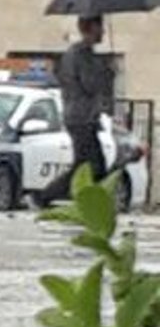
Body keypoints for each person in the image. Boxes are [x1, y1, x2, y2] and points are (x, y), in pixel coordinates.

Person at [35, 15, 114, 206]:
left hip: (81, 116)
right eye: (99, 27)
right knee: (90, 166)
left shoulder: (78, 53)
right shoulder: (81, 54)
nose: (103, 32)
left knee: (93, 165)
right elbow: (89, 84)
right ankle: (46, 196)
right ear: (89, 28)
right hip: (82, 117)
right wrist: (106, 74)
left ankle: (88, 200)